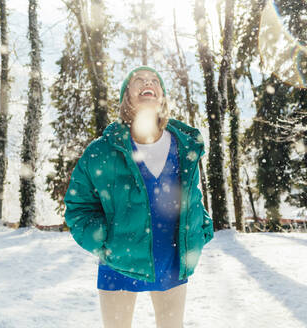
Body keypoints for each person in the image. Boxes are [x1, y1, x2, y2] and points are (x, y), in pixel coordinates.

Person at [64, 66, 214, 328]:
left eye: (155, 81)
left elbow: (193, 198)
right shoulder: (103, 151)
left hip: (172, 260)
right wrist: (105, 241)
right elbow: (79, 206)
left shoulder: (184, 145)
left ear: (162, 97)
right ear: (127, 96)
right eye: (140, 80)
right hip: (118, 263)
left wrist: (201, 230)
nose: (149, 83)